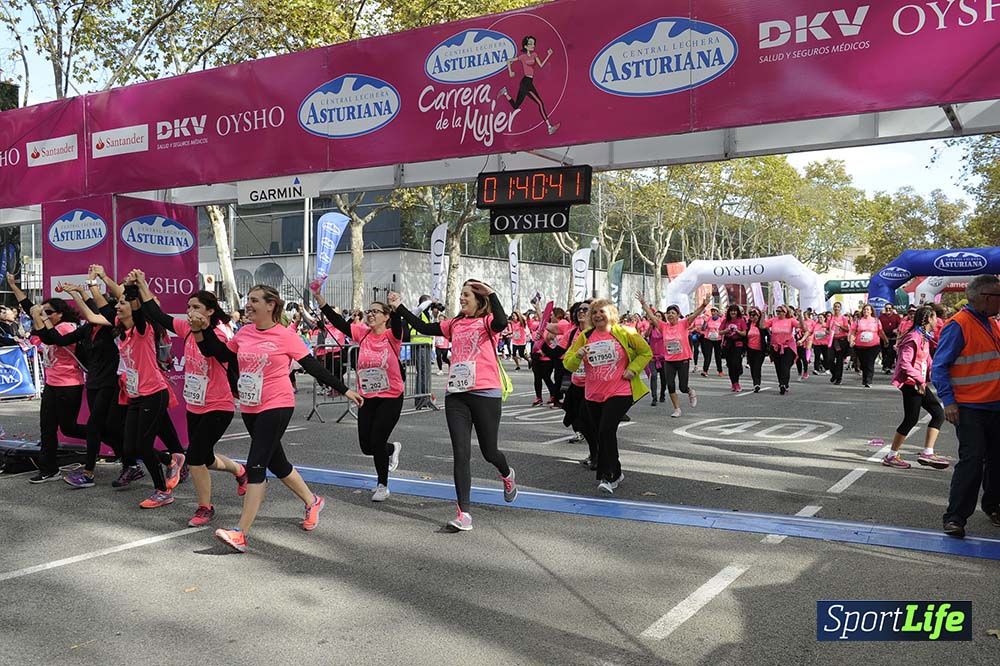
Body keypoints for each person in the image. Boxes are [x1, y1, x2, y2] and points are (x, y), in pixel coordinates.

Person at [195, 284, 362, 552]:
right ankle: (313, 501)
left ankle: (240, 533)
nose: (248, 305)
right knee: (278, 463)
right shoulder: (244, 332)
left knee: (256, 464)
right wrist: (200, 330)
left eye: (254, 300)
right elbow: (221, 354)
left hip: (277, 403)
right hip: (251, 405)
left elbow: (312, 366)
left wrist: (345, 389)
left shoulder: (286, 336)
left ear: (271, 304)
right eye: (248, 300)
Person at [390, 280, 517, 532]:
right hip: (457, 394)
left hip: (485, 392)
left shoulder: (487, 322)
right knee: (461, 453)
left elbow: (502, 322)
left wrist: (492, 294)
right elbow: (422, 326)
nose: (461, 298)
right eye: (461, 294)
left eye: (467, 295)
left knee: (489, 451)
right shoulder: (455, 324)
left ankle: (507, 474)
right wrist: (399, 307)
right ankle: (464, 514)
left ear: (479, 300)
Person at [134, 272, 248, 526]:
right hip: (195, 404)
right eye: (188, 307)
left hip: (218, 405)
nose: (190, 311)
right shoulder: (185, 328)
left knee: (195, 456)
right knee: (205, 458)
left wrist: (200, 330)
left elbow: (211, 352)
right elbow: (156, 314)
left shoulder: (219, 334)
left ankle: (205, 508)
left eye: (196, 307)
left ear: (210, 311)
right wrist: (142, 283)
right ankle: (241, 471)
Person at [67, 272, 184, 508]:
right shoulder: (121, 329)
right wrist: (85, 288)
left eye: (123, 303)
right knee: (129, 447)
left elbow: (139, 307)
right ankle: (172, 459)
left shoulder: (143, 328)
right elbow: (97, 311)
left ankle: (162, 491)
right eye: (118, 303)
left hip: (153, 393)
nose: (117, 306)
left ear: (134, 306)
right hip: (134, 395)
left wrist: (134, 285)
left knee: (143, 444)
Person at [29, 276, 130, 487]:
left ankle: (89, 473)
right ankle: (136, 459)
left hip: (107, 383)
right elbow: (58, 340)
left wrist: (82, 291)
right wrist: (73, 295)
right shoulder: (87, 329)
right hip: (92, 382)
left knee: (96, 427)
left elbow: (93, 310)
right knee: (99, 428)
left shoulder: (111, 326)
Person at [314, 286, 403, 502]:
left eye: (376, 311)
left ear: (386, 317)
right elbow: (338, 322)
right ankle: (392, 448)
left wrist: (396, 307)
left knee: (377, 440)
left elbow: (398, 323)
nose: (370, 314)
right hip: (367, 396)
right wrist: (321, 301)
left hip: (391, 397)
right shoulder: (362, 334)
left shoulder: (392, 335)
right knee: (366, 446)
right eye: (369, 311)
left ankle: (382, 485)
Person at [933, 275, 1000, 538]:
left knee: (996, 460)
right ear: (985, 297)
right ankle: (955, 517)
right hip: (971, 407)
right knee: (972, 461)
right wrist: (948, 402)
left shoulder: (990, 323)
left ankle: (993, 505)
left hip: (995, 406)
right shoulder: (958, 325)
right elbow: (939, 367)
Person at [6, 273, 90, 484]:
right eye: (44, 312)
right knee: (47, 427)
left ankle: (105, 436)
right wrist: (13, 286)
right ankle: (48, 469)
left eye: (49, 312)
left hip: (69, 385)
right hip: (52, 385)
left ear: (61, 314)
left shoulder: (67, 327)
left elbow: (54, 339)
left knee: (69, 427)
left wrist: (39, 316)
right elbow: (30, 309)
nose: (45, 315)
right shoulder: (49, 327)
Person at [564, 299, 651, 494]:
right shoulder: (585, 336)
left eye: (601, 311)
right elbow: (568, 364)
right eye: (594, 312)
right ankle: (617, 471)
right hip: (593, 394)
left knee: (605, 430)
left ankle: (607, 476)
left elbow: (646, 352)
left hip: (620, 390)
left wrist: (633, 369)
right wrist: (578, 355)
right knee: (602, 434)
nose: (597, 315)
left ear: (611, 313)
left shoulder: (625, 332)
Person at [881, 306, 949, 470]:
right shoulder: (913, 337)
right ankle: (891, 456)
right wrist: (920, 380)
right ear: (928, 319)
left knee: (938, 414)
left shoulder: (924, 337)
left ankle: (927, 452)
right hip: (911, 383)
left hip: (919, 383)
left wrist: (937, 373)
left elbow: (927, 360)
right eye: (935, 318)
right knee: (911, 419)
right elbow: (904, 364)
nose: (937, 321)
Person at [639, 295, 707, 417]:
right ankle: (677, 409)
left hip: (683, 359)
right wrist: (644, 304)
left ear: (678, 315)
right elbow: (652, 317)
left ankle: (690, 391)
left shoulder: (683, 323)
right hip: (669, 360)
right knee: (670, 385)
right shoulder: (663, 326)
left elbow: (694, 315)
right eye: (668, 313)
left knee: (682, 387)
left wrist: (703, 305)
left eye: (673, 313)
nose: (670, 315)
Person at [499, 36, 559, 135]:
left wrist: (548, 55)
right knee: (540, 103)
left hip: (528, 82)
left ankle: (505, 92)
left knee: (516, 106)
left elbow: (541, 65)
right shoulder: (522, 57)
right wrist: (510, 71)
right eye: (530, 44)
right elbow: (508, 60)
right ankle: (549, 127)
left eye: (533, 43)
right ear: (525, 46)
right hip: (526, 82)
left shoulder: (535, 55)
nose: (533, 45)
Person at [761, 305, 802, 395]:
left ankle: (784, 383)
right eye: (777, 311)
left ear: (785, 312)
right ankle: (781, 383)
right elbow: (762, 326)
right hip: (776, 347)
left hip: (788, 347)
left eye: (779, 311)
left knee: (785, 366)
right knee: (778, 367)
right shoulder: (773, 320)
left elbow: (802, 327)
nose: (778, 313)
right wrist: (763, 314)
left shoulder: (790, 320)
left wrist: (800, 316)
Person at [851, 304, 889, 388]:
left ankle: (868, 381)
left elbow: (880, 331)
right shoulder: (858, 321)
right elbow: (853, 332)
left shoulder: (876, 320)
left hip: (873, 345)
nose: (866, 311)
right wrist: (851, 340)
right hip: (860, 346)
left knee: (870, 362)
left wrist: (885, 340)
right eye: (864, 309)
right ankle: (864, 379)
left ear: (871, 311)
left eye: (868, 309)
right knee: (863, 363)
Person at [720, 304, 748, 392]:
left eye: (735, 311)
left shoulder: (741, 320)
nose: (733, 312)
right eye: (731, 311)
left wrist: (737, 331)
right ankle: (733, 383)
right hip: (728, 344)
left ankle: (737, 382)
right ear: (729, 312)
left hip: (738, 344)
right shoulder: (725, 321)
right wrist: (726, 330)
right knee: (730, 364)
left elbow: (744, 333)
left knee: (736, 363)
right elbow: (720, 332)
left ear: (737, 312)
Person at [828, 302, 852, 385]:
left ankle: (838, 378)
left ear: (840, 308)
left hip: (841, 340)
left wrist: (840, 326)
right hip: (832, 340)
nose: (836, 308)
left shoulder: (844, 318)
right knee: (830, 359)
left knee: (839, 360)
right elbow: (827, 328)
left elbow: (847, 329)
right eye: (835, 307)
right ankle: (834, 373)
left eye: (838, 307)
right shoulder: (830, 318)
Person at [745, 308, 768, 392]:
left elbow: (769, 335)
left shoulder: (761, 325)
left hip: (760, 350)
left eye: (754, 315)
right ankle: (755, 383)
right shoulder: (748, 325)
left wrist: (769, 347)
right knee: (752, 366)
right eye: (750, 315)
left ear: (758, 316)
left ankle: (757, 383)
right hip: (750, 349)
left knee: (757, 366)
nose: (752, 317)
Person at [700, 306, 724, 377]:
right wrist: (705, 322)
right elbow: (703, 329)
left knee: (718, 356)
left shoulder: (721, 320)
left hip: (718, 339)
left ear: (717, 312)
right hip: (708, 339)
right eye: (712, 311)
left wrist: (723, 340)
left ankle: (720, 371)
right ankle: (705, 371)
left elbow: (723, 330)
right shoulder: (708, 319)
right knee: (708, 355)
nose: (713, 313)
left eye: (714, 311)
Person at [879, 303, 902, 372]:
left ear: (892, 309)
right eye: (886, 308)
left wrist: (897, 329)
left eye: (889, 308)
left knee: (891, 352)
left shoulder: (896, 317)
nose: (888, 310)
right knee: (884, 352)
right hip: (883, 337)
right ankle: (885, 365)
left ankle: (888, 366)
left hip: (893, 338)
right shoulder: (881, 317)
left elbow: (900, 325)